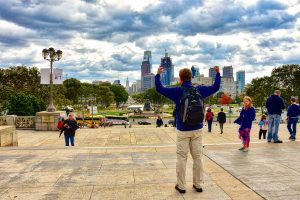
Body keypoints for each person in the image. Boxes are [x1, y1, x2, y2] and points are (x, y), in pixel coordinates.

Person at [155, 65, 220, 193]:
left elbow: (160, 88)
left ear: (181, 79)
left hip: (183, 129)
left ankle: (181, 185)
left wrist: (158, 75)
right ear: (191, 77)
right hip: (197, 129)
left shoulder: (178, 91)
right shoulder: (199, 89)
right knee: (197, 157)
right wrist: (218, 74)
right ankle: (198, 184)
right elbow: (215, 87)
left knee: (181, 157)